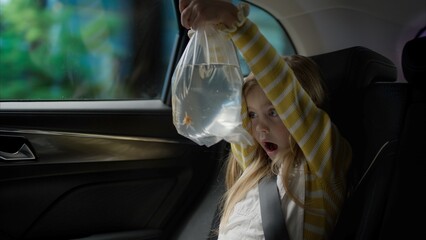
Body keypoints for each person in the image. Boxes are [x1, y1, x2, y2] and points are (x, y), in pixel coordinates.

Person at [179, 1, 353, 239]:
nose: (259, 127)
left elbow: (282, 88)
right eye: (251, 114)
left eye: (274, 112)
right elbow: (226, 99)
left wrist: (234, 23)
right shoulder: (253, 164)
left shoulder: (321, 166)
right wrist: (213, 35)